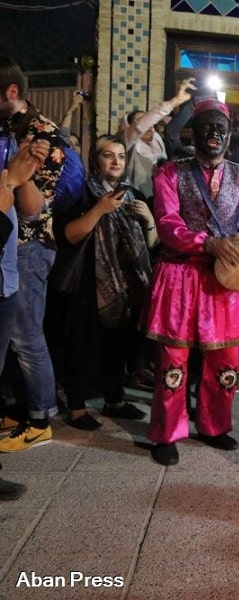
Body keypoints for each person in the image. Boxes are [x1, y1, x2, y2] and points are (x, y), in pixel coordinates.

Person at [144, 99, 239, 466]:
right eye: (207, 128)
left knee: (225, 359)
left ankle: (214, 427)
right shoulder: (169, 173)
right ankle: (167, 433)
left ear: (229, 139)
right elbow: (166, 224)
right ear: (193, 133)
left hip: (226, 280)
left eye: (220, 130)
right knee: (174, 360)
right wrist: (206, 242)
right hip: (180, 274)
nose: (214, 135)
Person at [51, 135, 157, 431]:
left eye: (121, 156)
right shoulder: (80, 192)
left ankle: (115, 399)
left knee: (118, 343)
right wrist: (99, 210)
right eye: (108, 155)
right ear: (94, 160)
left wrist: (149, 219)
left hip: (124, 283)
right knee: (82, 342)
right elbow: (68, 235)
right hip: (87, 278)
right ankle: (76, 407)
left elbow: (150, 244)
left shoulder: (132, 193)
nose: (115, 162)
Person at [0, 56, 66, 453]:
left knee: (26, 336)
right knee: (8, 338)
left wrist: (14, 171)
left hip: (30, 246)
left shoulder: (42, 133)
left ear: (11, 92)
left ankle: (41, 418)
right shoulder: (11, 129)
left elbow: (36, 205)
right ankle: (17, 409)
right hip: (8, 248)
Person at [0, 136, 51, 496]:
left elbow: (31, 210)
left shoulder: (7, 156)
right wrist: (9, 181)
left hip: (6, 281)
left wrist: (25, 173)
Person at [120, 78, 196, 198]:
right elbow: (139, 127)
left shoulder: (157, 140)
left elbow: (172, 130)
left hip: (164, 196)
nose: (149, 126)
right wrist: (175, 101)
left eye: (150, 122)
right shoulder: (127, 146)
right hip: (139, 201)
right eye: (143, 121)